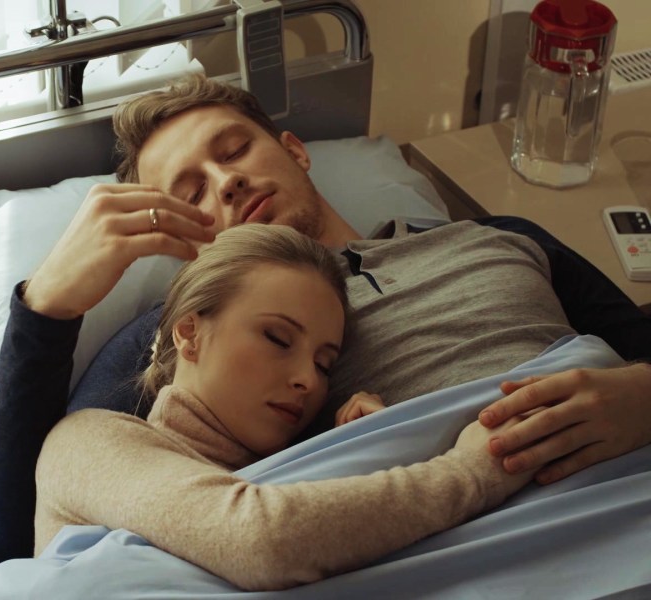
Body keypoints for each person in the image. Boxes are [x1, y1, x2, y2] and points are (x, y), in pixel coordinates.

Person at [0, 73, 651, 570]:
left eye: (233, 151)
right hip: (476, 550)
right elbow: (11, 541)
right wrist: (48, 308)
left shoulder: (497, 238)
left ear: (294, 150)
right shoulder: (192, 340)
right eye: (190, 192)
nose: (225, 183)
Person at [33, 223, 537, 591]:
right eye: (277, 338)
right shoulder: (87, 441)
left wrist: (375, 451)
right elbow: (259, 538)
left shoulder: (305, 477)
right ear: (189, 333)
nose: (306, 381)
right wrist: (472, 472)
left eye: (324, 364)